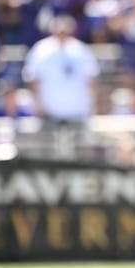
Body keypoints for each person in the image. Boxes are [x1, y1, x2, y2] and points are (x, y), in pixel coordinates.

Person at [21, 14, 99, 159]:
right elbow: (33, 79)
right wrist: (38, 104)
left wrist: (91, 105)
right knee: (45, 154)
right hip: (49, 112)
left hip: (77, 111)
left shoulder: (81, 50)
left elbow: (91, 80)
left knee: (81, 153)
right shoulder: (41, 50)